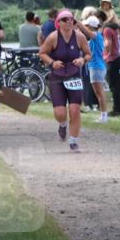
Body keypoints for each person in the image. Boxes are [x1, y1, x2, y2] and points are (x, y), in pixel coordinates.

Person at [39, 9, 91, 152]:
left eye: (71, 20)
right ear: (58, 22)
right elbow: (42, 53)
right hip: (57, 77)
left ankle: (73, 141)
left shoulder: (79, 37)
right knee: (60, 113)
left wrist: (82, 59)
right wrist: (52, 63)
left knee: (75, 110)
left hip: (74, 75)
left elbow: (88, 54)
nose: (68, 22)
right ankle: (62, 124)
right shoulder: (53, 37)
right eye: (65, 20)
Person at [84, 16, 109, 123]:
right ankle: (103, 116)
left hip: (97, 67)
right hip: (96, 67)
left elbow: (85, 31)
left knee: (100, 92)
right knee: (99, 92)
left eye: (86, 25)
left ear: (90, 26)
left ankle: (104, 116)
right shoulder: (96, 37)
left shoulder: (96, 36)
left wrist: (77, 23)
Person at [103, 19, 120, 115]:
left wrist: (104, 56)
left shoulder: (107, 30)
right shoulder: (113, 30)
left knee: (113, 86)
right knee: (117, 86)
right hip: (117, 58)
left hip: (112, 60)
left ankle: (117, 109)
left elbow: (108, 44)